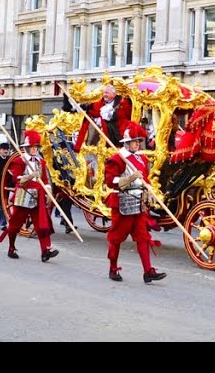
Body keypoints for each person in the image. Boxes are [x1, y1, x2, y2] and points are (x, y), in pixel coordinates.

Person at [104, 122, 166, 283]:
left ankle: (148, 271)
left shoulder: (141, 158)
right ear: (126, 142)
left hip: (138, 202)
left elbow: (145, 179)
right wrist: (130, 177)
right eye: (134, 142)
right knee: (116, 238)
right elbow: (110, 181)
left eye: (138, 141)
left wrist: (150, 192)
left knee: (142, 237)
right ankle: (113, 268)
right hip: (122, 202)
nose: (137, 144)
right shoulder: (117, 158)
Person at [1, 130, 59, 262]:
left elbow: (44, 180)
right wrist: (31, 175)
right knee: (15, 224)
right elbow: (17, 179)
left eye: (36, 147)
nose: (34, 149)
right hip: (24, 196)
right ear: (26, 148)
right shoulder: (19, 161)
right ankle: (11, 247)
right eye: (31, 147)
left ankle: (45, 251)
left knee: (42, 225)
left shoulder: (41, 162)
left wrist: (49, 191)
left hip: (38, 197)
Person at [68, 84, 133, 152]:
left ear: (113, 94)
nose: (104, 94)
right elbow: (91, 108)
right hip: (105, 138)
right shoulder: (101, 103)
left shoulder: (122, 103)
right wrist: (81, 107)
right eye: (104, 92)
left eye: (107, 93)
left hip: (120, 136)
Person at [53, 141, 76, 234]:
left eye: (69, 150)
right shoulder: (57, 159)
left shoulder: (73, 159)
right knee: (65, 206)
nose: (67, 152)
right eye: (65, 149)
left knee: (66, 206)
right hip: (59, 186)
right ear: (61, 150)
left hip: (70, 186)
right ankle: (68, 224)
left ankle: (65, 221)